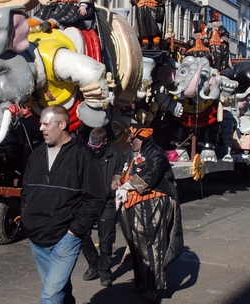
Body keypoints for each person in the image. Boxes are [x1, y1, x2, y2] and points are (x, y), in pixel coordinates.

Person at [20, 105, 106, 304]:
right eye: (40, 123)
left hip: (65, 238)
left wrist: (75, 231)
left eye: (46, 124)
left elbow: (96, 198)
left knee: (50, 295)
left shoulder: (82, 154)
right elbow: (26, 190)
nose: (41, 128)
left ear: (62, 124)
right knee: (60, 291)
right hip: (37, 237)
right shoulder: (37, 154)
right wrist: (26, 215)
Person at [116, 124, 184, 302]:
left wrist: (127, 186)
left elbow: (150, 176)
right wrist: (119, 182)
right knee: (136, 246)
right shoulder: (133, 154)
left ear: (141, 138)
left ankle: (152, 288)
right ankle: (142, 283)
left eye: (133, 138)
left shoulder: (156, 153)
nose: (130, 142)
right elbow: (126, 173)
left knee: (150, 245)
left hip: (151, 204)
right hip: (132, 204)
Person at [81, 127, 126, 287]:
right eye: (91, 146)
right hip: (87, 201)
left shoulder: (116, 155)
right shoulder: (86, 152)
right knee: (82, 235)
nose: (94, 150)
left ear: (105, 142)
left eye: (97, 147)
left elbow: (122, 170)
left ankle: (105, 271)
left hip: (107, 201)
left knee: (106, 239)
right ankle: (94, 264)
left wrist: (117, 177)